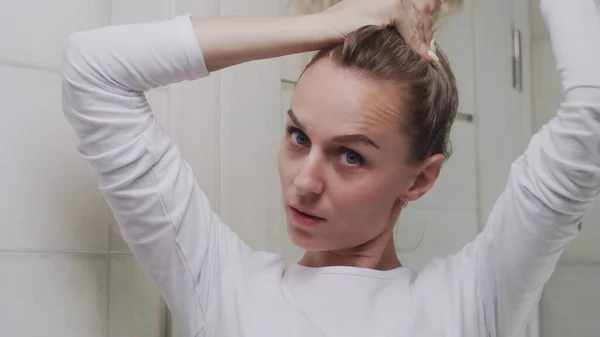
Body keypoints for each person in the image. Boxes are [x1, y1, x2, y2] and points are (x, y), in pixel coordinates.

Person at [61, 0, 600, 335]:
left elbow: (592, 112)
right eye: (298, 136)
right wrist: (331, 24)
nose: (305, 181)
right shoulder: (222, 286)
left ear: (420, 179)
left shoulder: (472, 299)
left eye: (350, 155)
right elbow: (93, 70)